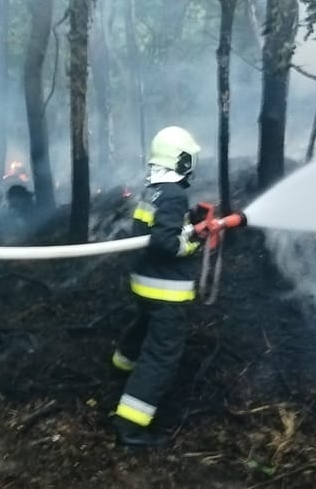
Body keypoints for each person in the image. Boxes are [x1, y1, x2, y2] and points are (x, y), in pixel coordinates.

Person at [111, 126, 204, 448]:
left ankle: (122, 364)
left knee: (142, 325)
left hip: (145, 285)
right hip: (168, 291)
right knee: (161, 356)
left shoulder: (151, 190)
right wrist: (194, 241)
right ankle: (131, 426)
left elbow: (150, 231)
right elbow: (166, 243)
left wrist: (187, 224)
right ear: (180, 160)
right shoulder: (176, 193)